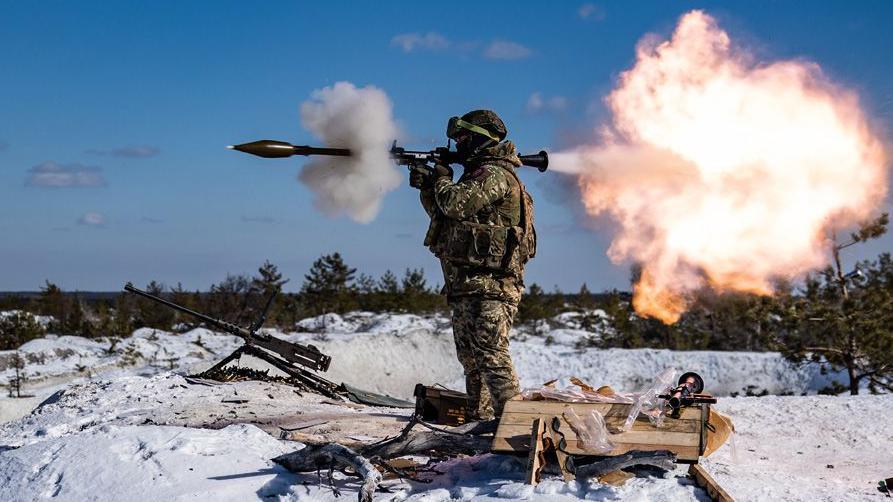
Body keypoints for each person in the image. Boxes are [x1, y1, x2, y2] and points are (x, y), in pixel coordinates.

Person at [409, 109, 536, 419]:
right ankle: (480, 419)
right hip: (468, 284)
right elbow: (445, 216)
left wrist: (441, 178)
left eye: (463, 139)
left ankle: (514, 428)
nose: (458, 145)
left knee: (491, 354)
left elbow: (454, 203)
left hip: (491, 285)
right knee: (471, 358)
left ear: (480, 140)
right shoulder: (476, 176)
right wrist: (429, 187)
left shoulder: (493, 174)